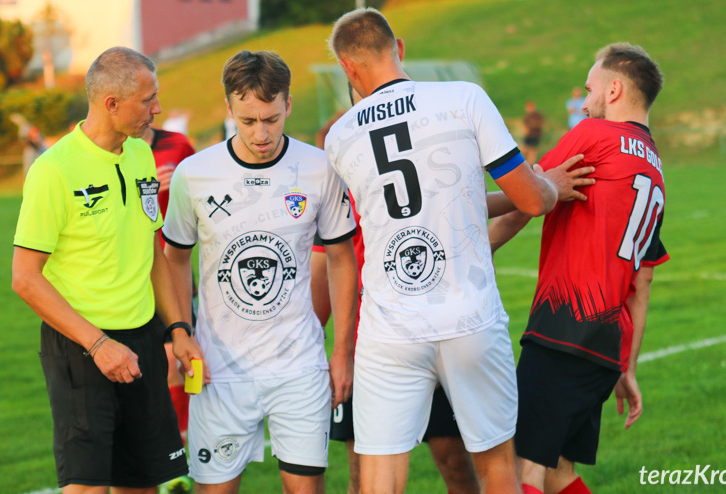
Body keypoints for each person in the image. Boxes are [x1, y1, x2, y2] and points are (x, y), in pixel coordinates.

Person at [324, 7, 594, 494]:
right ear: (399, 48)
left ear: (347, 68)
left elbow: (398, 211)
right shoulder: (462, 98)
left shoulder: (340, 136)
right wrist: (549, 185)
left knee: (379, 480)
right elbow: (531, 200)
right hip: (467, 317)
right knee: (497, 469)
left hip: (389, 329)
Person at [162, 50, 358, 494]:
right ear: (229, 108)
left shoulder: (319, 168)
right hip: (219, 368)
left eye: (271, 118)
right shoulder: (196, 174)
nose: (261, 133)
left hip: (299, 367)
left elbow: (342, 258)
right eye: (247, 120)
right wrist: (178, 331)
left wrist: (342, 350)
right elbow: (173, 258)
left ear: (289, 104)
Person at [11, 46, 205, 493]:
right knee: (89, 487)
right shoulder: (53, 171)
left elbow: (151, 250)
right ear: (111, 104)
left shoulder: (139, 156)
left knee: (143, 485)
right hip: (81, 349)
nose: (157, 108)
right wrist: (98, 345)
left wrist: (177, 329)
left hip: (143, 343)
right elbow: (24, 277)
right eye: (148, 99)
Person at [489, 43, 667, 494]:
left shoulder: (595, 135)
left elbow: (526, 199)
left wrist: (472, 251)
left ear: (614, 88)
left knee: (522, 467)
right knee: (558, 472)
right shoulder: (657, 170)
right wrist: (627, 366)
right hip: (607, 345)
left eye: (589, 90)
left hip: (563, 329)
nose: (584, 103)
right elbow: (642, 282)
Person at [312, 85, 482, 494]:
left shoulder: (409, 192)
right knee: (365, 476)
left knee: (455, 462)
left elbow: (462, 233)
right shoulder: (331, 211)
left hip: (436, 333)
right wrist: (337, 355)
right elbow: (319, 296)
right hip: (367, 351)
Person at [141, 125, 196, 448]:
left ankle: (181, 445)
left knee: (177, 362)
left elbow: (200, 194)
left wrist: (175, 186)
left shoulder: (177, 145)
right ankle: (165, 447)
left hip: (172, 270)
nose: (155, 107)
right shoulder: (117, 151)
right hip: (133, 276)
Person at [522, 100, 545, 165]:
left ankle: (530, 164)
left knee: (532, 150)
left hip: (535, 135)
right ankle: (526, 163)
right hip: (528, 135)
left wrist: (532, 125)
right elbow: (525, 126)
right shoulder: (527, 116)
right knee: (525, 149)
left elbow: (541, 124)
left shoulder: (537, 116)